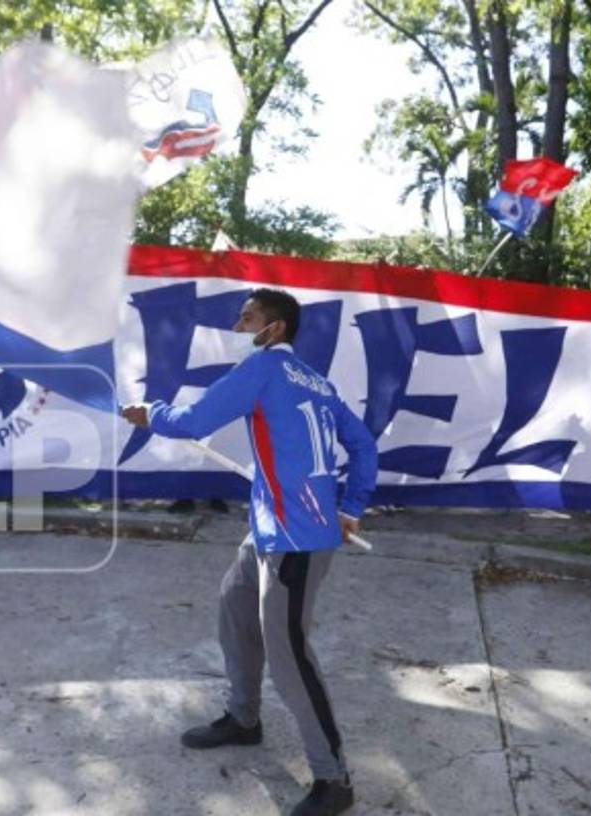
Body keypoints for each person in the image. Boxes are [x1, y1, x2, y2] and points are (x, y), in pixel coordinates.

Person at [120, 288, 377, 816]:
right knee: (235, 609)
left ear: (274, 328)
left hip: (296, 540)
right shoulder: (317, 381)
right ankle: (244, 719)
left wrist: (150, 412)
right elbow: (364, 445)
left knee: (290, 659)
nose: (238, 326)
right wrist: (350, 505)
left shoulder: (263, 370)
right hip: (269, 528)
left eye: (247, 317)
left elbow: (191, 421)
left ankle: (335, 780)